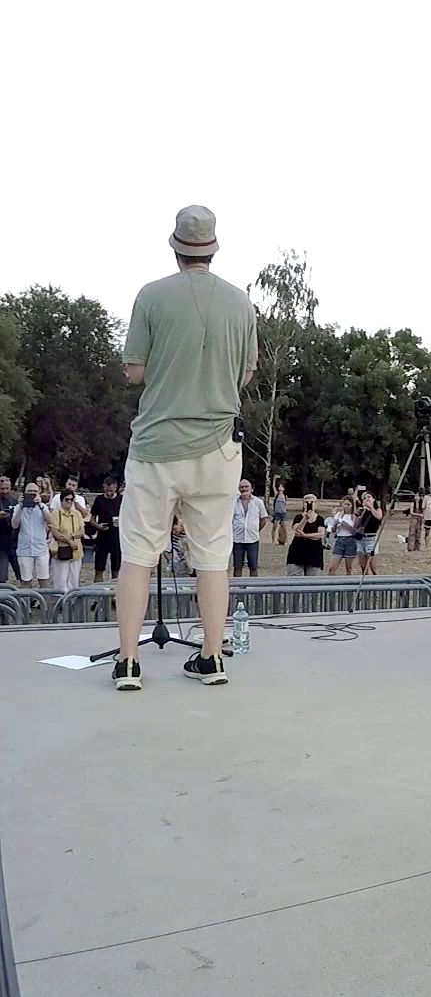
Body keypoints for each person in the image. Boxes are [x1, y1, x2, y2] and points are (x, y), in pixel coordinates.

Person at [113, 205, 257, 689]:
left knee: (138, 553)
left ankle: (128, 662)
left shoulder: (151, 296)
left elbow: (134, 371)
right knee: (213, 554)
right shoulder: (241, 303)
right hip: (219, 447)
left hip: (157, 444)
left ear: (175, 248)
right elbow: (246, 374)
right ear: (213, 249)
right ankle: (212, 657)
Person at [10, 484, 51, 588]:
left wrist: (40, 505)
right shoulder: (18, 507)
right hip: (24, 549)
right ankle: (26, 598)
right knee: (26, 580)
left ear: (38, 493)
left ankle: (44, 599)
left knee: (44, 579)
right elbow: (14, 525)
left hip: (41, 548)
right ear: (25, 493)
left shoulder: (43, 507)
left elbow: (51, 521)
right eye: (29, 491)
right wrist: (21, 507)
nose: (32, 493)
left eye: (35, 491)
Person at [47, 490, 88, 592]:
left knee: (74, 580)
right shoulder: (56, 514)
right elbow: (55, 532)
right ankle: (60, 598)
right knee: (60, 579)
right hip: (62, 550)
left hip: (76, 551)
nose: (69, 501)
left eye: (71, 499)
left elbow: (82, 531)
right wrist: (70, 541)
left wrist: (70, 536)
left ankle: (72, 598)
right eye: (67, 499)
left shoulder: (77, 514)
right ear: (62, 500)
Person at [88, 476, 125, 583]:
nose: (109, 493)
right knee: (99, 569)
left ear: (116, 487)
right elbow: (92, 519)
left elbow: (129, 517)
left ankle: (115, 591)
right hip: (102, 538)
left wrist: (121, 523)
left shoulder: (121, 500)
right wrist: (98, 526)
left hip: (117, 538)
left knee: (116, 570)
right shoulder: (99, 500)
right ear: (104, 487)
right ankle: (97, 591)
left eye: (111, 491)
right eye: (107, 490)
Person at [231, 479, 267, 578]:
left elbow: (263, 520)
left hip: (253, 539)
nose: (244, 489)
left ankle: (254, 586)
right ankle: (238, 586)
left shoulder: (258, 502)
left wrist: (255, 530)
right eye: (241, 487)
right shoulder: (233, 503)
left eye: (246, 486)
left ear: (251, 488)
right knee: (237, 566)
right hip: (237, 539)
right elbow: (230, 520)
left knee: (253, 566)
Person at [285, 497, 326, 576]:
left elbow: (320, 534)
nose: (309, 504)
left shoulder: (320, 519)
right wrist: (305, 519)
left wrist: (305, 535)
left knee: (313, 579)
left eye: (312, 502)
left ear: (316, 504)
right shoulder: (298, 517)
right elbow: (297, 531)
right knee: (294, 576)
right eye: (306, 502)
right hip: (297, 551)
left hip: (314, 551)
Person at [355, 491, 385, 574]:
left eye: (369, 497)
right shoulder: (363, 511)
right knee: (363, 566)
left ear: (373, 499)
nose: (367, 499)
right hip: (361, 539)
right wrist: (358, 515)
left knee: (373, 567)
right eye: (364, 498)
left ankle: (377, 580)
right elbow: (357, 525)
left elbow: (379, 516)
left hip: (371, 539)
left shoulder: (377, 510)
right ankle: (366, 580)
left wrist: (370, 507)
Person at [327, 498, 360, 575]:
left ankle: (349, 580)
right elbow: (333, 530)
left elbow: (356, 533)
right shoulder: (339, 515)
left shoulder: (355, 517)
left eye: (348, 504)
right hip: (339, 541)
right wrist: (335, 525)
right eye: (345, 504)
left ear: (352, 506)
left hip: (350, 541)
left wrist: (346, 525)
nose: (346, 506)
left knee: (349, 568)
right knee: (332, 568)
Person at [0, 476, 19, 584]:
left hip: (14, 542)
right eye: (2, 489)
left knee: (22, 574)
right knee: (1, 577)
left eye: (7, 489)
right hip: (1, 545)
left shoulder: (14, 501)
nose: (4, 491)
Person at [270, 480, 289, 545]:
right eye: (279, 486)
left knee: (285, 528)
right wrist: (274, 479)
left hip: (283, 513)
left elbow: (285, 505)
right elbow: (273, 487)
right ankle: (273, 541)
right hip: (277, 513)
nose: (280, 488)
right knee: (274, 527)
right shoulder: (276, 494)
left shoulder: (285, 496)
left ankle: (286, 541)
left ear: (284, 488)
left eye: (281, 486)